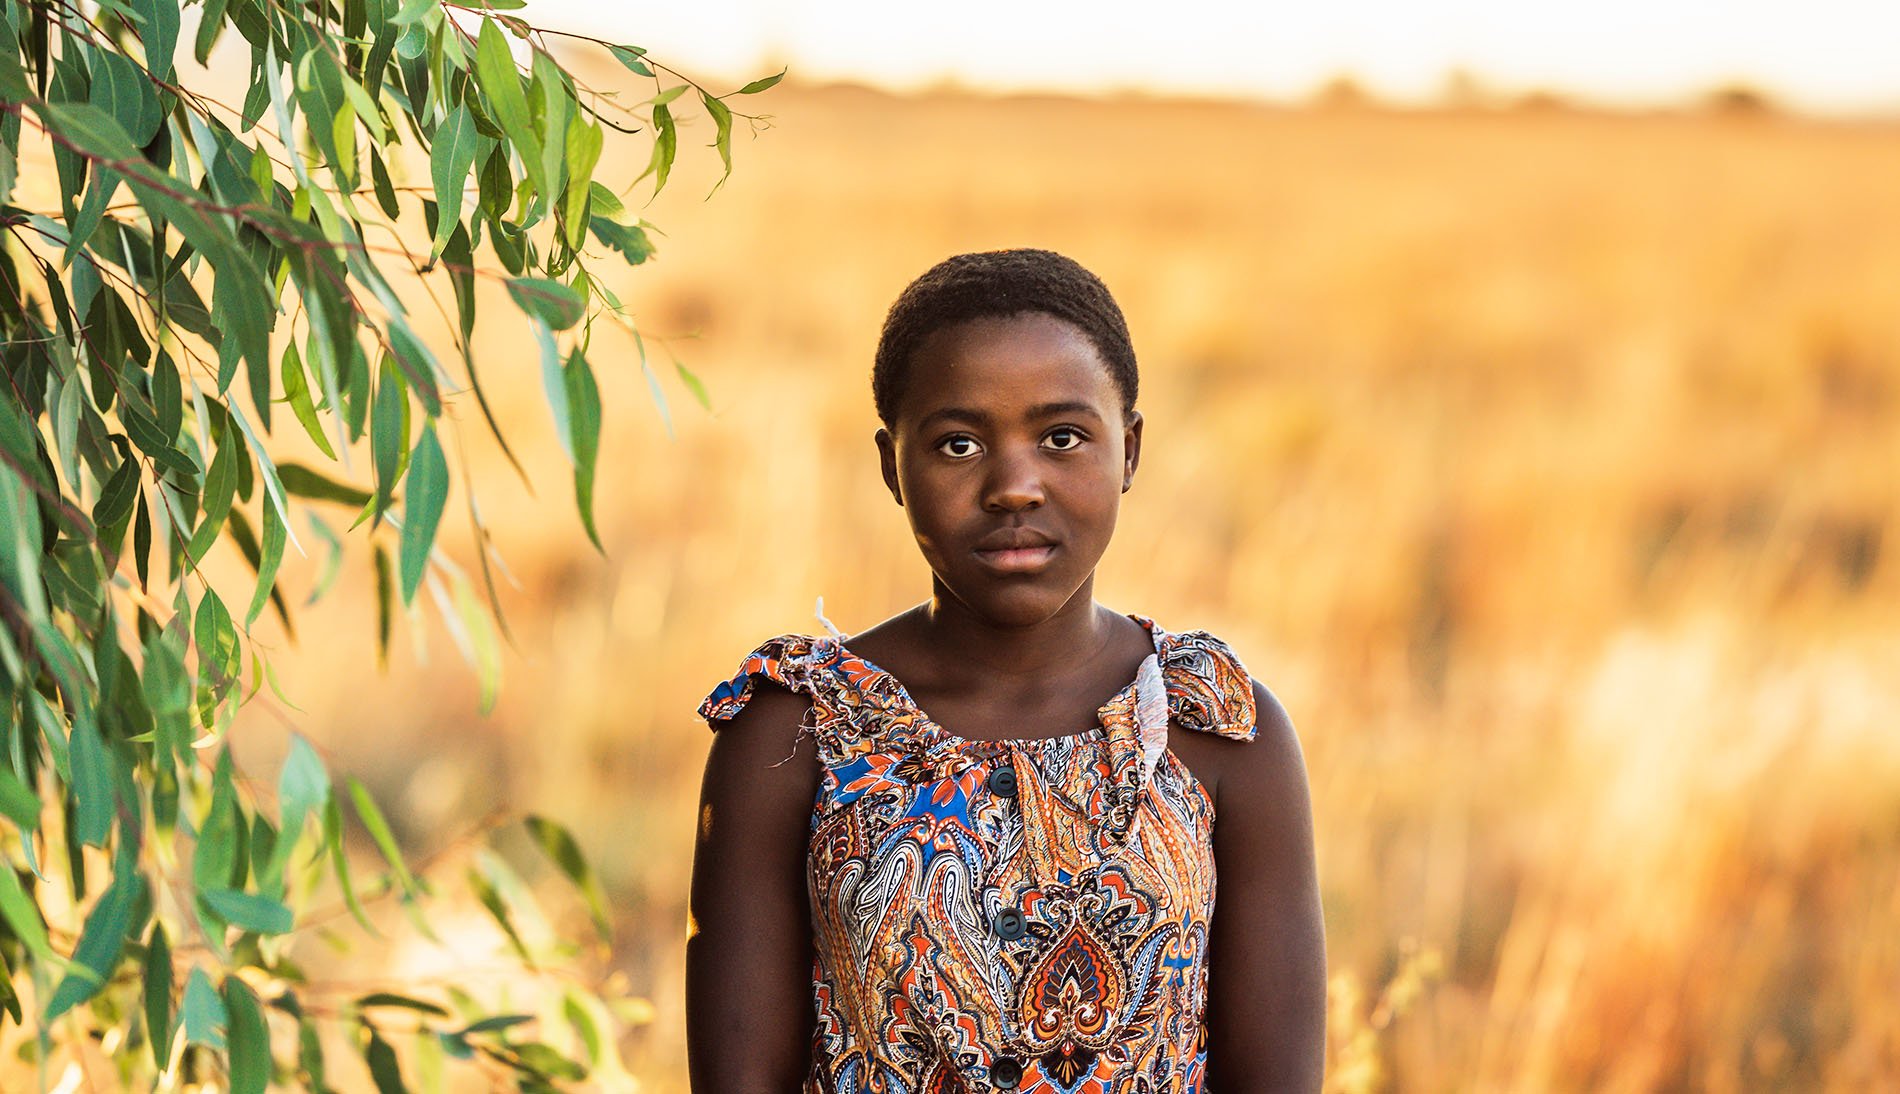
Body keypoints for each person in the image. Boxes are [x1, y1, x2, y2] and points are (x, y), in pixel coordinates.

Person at [686, 249, 1325, 1092]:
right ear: (892, 467)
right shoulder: (795, 733)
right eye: (958, 444)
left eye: (1062, 437)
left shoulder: (1218, 732)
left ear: (1128, 451)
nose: (1014, 486)